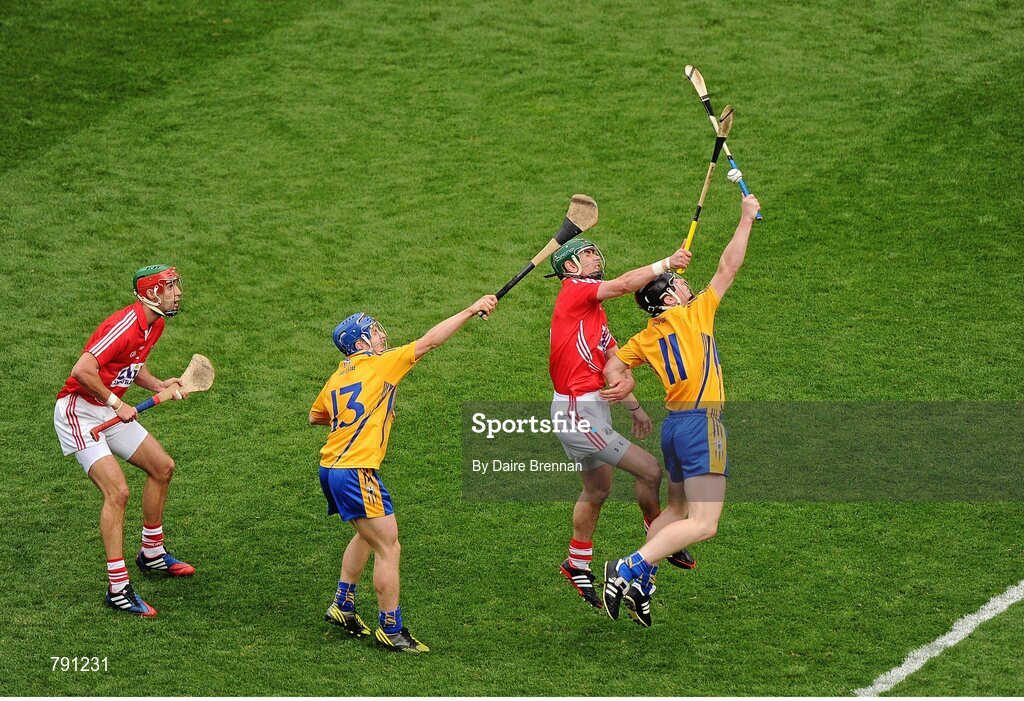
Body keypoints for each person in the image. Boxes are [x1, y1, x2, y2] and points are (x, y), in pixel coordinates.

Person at [600, 194, 761, 627]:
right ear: (670, 298)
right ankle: (629, 566)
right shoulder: (694, 314)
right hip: (701, 424)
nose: (689, 287)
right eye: (680, 285)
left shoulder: (645, 338)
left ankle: (644, 579)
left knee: (676, 512)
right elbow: (728, 267)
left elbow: (613, 366)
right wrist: (745, 219)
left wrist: (626, 390)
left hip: (674, 426)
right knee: (705, 523)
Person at [310, 295, 498, 653]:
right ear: (360, 343)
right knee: (388, 546)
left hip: (331, 468)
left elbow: (315, 415)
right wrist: (471, 309)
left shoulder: (338, 375)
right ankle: (391, 628)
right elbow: (430, 341)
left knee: (367, 536)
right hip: (355, 471)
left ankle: (343, 605)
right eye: (373, 332)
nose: (381, 336)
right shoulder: (381, 364)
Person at [548, 237, 697, 609]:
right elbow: (626, 284)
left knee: (597, 490)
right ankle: (660, 546)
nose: (595, 257)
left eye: (594, 252)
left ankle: (577, 562)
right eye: (585, 255)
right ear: (569, 268)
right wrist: (667, 262)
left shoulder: (592, 312)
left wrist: (632, 404)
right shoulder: (575, 292)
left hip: (591, 408)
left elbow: (613, 362)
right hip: (576, 412)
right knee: (649, 471)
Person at [54, 265, 194, 618]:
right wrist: (117, 403)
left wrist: (159, 384)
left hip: (108, 409)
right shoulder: (124, 324)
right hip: (80, 412)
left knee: (162, 468)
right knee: (117, 492)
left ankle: (151, 553)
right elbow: (82, 370)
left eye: (176, 285)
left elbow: (130, 365)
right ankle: (117, 589)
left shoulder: (155, 322)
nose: (176, 292)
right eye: (169, 287)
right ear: (149, 294)